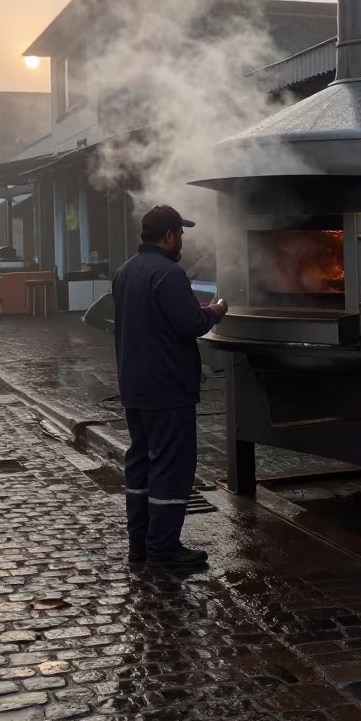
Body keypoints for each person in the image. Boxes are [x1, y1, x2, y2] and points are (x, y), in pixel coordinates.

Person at [112, 205, 228, 569]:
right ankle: (164, 549)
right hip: (168, 388)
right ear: (168, 236)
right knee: (170, 467)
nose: (182, 242)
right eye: (180, 234)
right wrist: (216, 311)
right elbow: (189, 324)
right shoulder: (169, 273)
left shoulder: (124, 272)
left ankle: (140, 546)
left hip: (135, 385)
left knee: (140, 464)